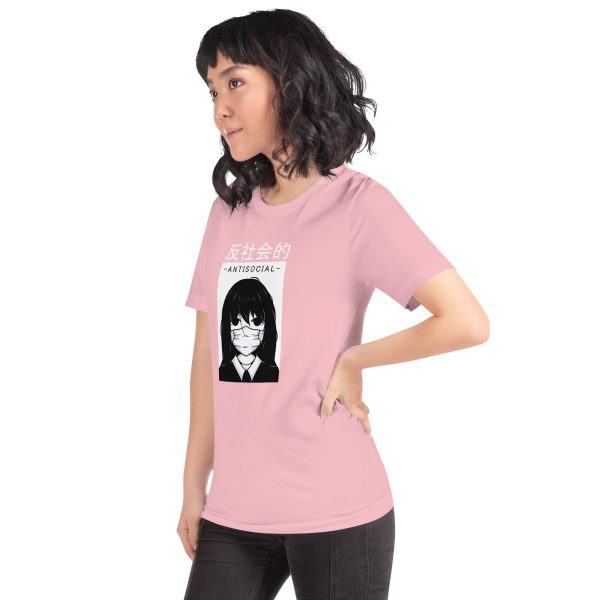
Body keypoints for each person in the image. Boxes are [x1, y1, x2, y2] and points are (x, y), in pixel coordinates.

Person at [177, 9, 489, 600]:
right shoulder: (228, 214)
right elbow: (205, 357)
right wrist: (195, 485)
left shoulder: (357, 205)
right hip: (235, 512)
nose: (220, 108)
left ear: (289, 80)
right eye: (213, 90)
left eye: (236, 83)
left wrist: (355, 360)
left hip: (338, 508)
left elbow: (466, 322)